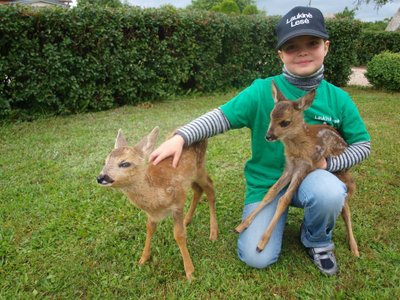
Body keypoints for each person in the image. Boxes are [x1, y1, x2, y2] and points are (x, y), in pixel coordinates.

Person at [149, 6, 371, 276]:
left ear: (326, 46)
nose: (302, 51)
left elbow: (362, 145)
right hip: (267, 184)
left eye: (311, 43)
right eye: (291, 46)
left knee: (329, 191)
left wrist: (330, 163)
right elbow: (221, 117)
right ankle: (273, 216)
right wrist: (183, 136)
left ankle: (316, 238)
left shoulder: (338, 98)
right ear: (280, 54)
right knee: (257, 257)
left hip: (310, 178)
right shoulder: (261, 90)